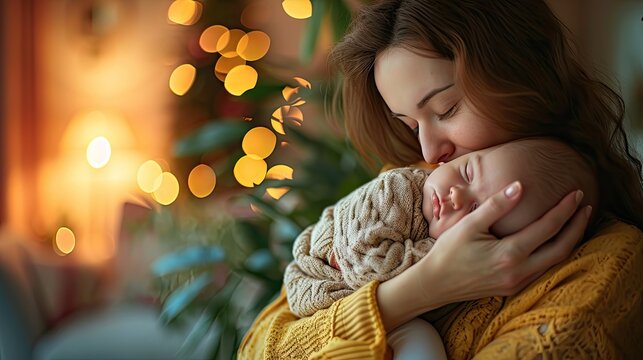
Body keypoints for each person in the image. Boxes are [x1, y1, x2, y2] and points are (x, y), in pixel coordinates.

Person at [239, 0, 643, 358]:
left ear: (520, 77)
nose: (430, 151)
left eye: (446, 109)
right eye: (410, 124)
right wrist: (421, 289)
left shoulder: (605, 272)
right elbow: (258, 349)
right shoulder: (417, 187)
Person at [284, 138, 598, 359]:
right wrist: (438, 261)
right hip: (315, 281)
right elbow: (365, 262)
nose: (457, 196)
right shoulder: (397, 188)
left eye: (476, 213)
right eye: (468, 173)